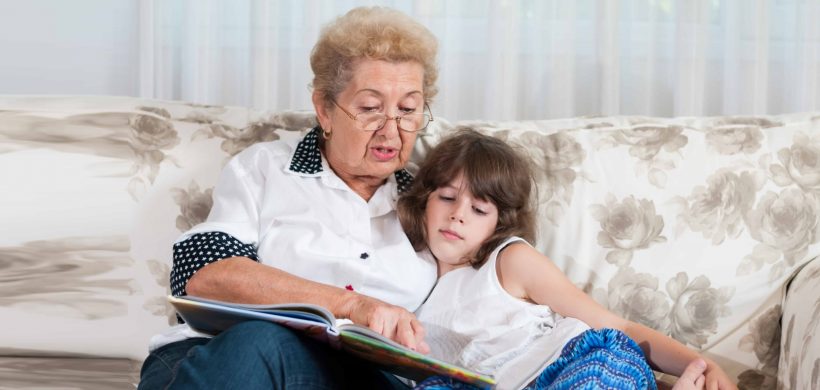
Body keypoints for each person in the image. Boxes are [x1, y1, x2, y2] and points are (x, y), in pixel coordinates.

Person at [138, 6, 441, 389]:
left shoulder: (434, 203)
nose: (391, 130)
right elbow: (202, 274)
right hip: (224, 358)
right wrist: (352, 305)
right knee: (261, 343)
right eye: (369, 108)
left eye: (408, 110)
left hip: (360, 377)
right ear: (325, 110)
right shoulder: (265, 169)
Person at [397, 129, 737, 390]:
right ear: (424, 200)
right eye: (446, 197)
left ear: (498, 222)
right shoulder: (408, 279)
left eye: (478, 209)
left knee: (598, 373)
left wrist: (700, 363)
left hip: (572, 364)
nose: (458, 215)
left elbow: (619, 327)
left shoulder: (508, 261)